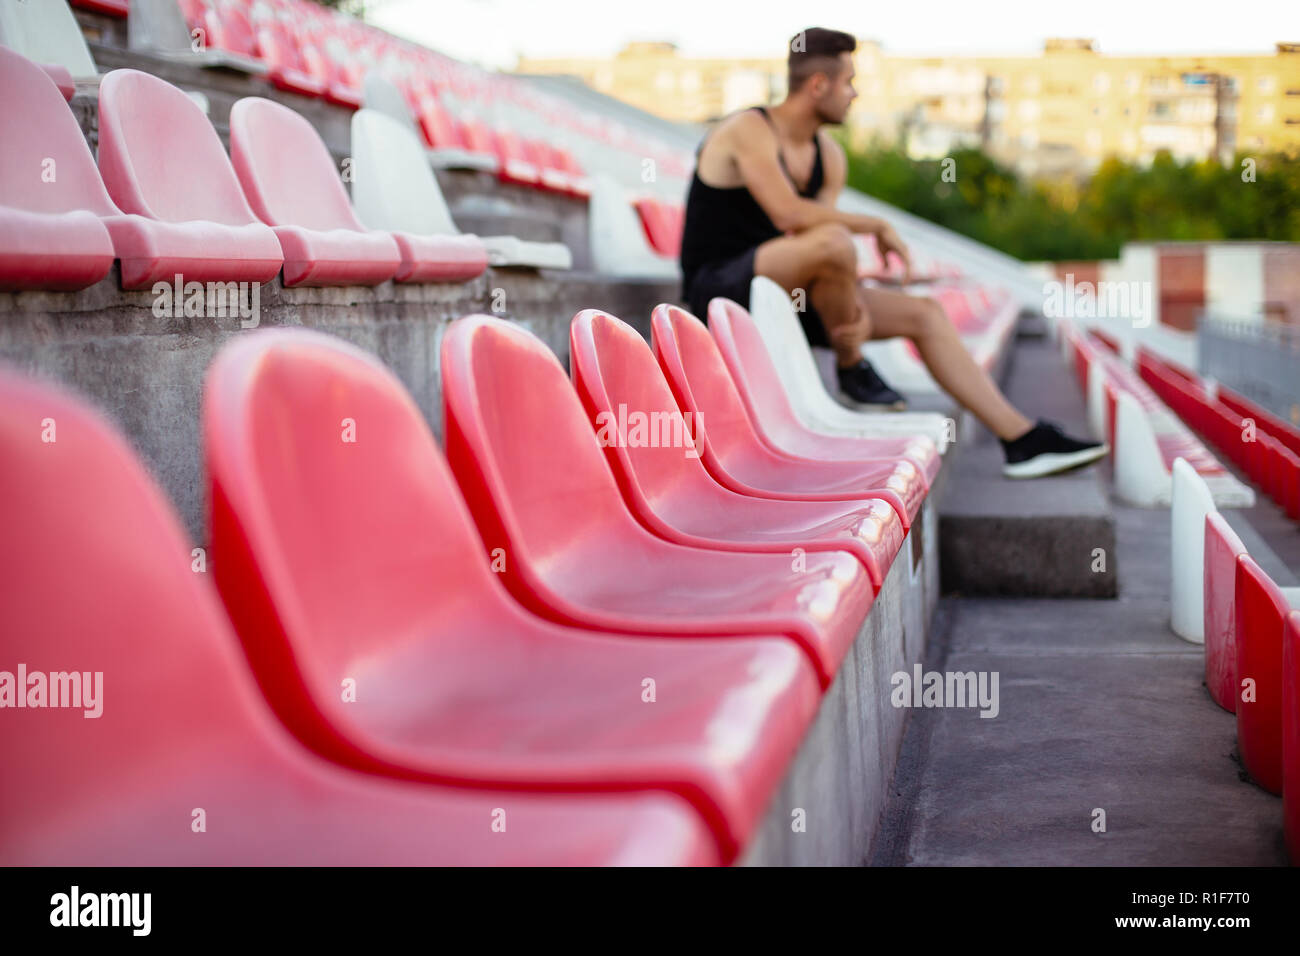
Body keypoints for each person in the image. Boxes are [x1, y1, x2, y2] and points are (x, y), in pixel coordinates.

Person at [679, 27, 1108, 479]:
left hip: (790, 295)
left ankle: (1021, 438)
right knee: (835, 242)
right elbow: (791, 216)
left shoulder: (829, 155)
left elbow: (813, 248)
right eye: (848, 82)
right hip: (723, 289)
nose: (855, 93)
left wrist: (849, 299)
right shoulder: (747, 128)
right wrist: (877, 226)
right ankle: (851, 365)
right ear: (818, 85)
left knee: (923, 313)